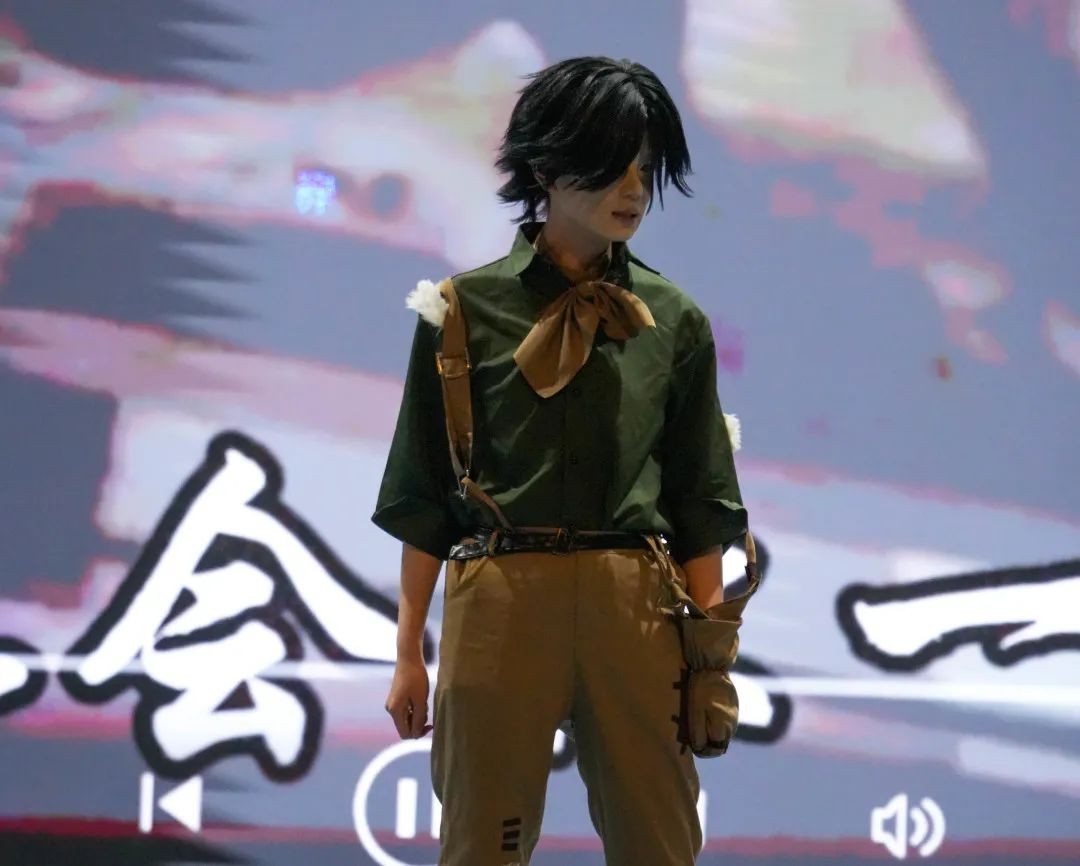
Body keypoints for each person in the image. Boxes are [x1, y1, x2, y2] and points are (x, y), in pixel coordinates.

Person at [371, 55, 750, 866]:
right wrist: (408, 654)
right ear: (546, 168)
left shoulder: (673, 320)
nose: (634, 190)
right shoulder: (462, 310)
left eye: (646, 168)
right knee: (483, 847)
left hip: (636, 604)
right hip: (501, 599)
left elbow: (702, 500)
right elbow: (423, 495)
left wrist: (711, 657)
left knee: (659, 847)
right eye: (612, 166)